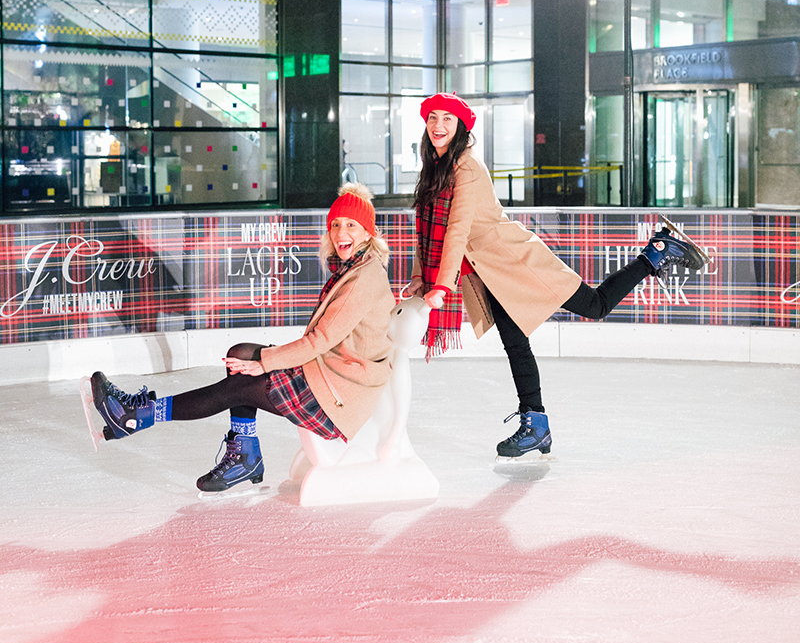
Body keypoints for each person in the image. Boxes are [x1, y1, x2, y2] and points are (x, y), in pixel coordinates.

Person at [407, 93, 709, 461]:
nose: (438, 126)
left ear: (460, 128)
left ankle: (656, 254)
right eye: (433, 118)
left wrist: (441, 283)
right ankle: (537, 426)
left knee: (595, 306)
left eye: (447, 120)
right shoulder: (434, 167)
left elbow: (456, 229)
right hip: (489, 272)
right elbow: (425, 230)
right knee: (515, 344)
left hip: (513, 259)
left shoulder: (466, 166)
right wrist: (421, 275)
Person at [88, 183, 395, 492]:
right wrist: (263, 360)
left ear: (368, 233)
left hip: (337, 396)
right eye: (336, 225)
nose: (341, 233)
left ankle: (135, 416)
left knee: (240, 385)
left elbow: (320, 340)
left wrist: (267, 363)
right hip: (330, 374)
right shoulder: (353, 268)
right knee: (241, 354)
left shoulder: (363, 278)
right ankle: (245, 453)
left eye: (352, 226)